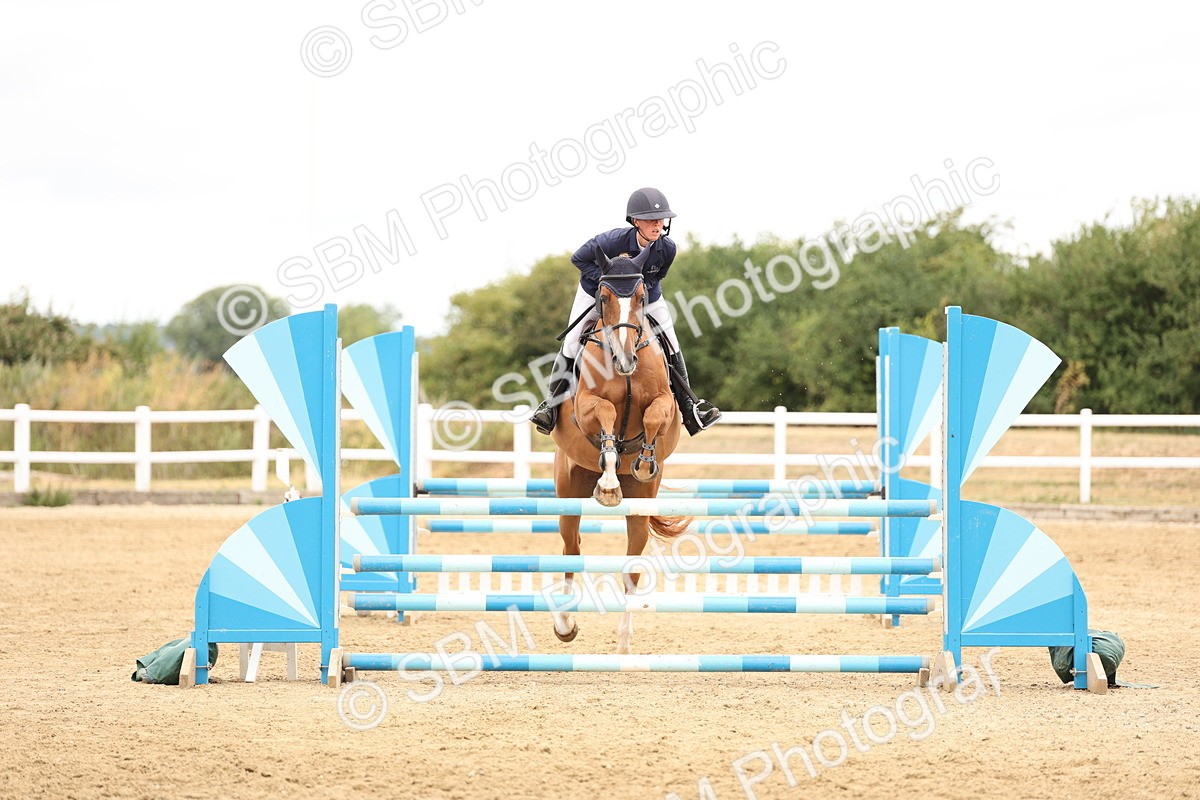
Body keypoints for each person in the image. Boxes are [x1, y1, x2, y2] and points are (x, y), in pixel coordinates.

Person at [530, 187, 723, 436]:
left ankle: (690, 409)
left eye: (662, 220)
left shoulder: (667, 248)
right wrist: (608, 282)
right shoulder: (610, 241)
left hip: (644, 298)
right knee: (571, 341)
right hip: (598, 295)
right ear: (635, 221)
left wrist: (635, 293)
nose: (658, 225)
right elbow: (578, 259)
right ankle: (551, 407)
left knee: (672, 342)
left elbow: (659, 275)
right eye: (652, 220)